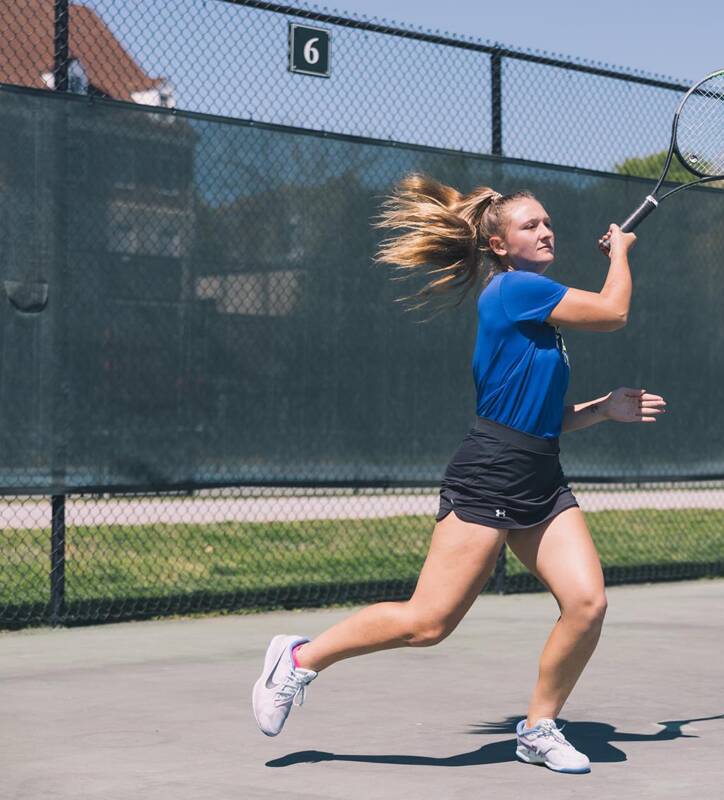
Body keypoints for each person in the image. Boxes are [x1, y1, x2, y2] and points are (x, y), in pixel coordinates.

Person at [251, 174, 667, 774]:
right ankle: (298, 659)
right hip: (489, 475)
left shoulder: (538, 316)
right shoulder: (514, 290)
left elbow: (541, 418)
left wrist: (602, 410)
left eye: (548, 222)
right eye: (531, 225)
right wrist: (622, 256)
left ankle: (538, 728)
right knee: (428, 624)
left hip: (541, 478)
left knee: (587, 603)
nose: (546, 230)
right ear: (499, 245)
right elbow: (612, 311)